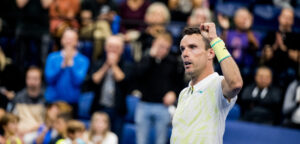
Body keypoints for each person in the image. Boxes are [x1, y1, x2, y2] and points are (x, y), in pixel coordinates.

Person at [171, 23, 243, 143]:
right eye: (182, 49)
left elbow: (235, 83)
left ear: (210, 53)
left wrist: (215, 40)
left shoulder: (218, 84)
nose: (185, 53)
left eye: (192, 47)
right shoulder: (183, 93)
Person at [135, 33, 184, 144]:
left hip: (163, 106)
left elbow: (179, 83)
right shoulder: (145, 58)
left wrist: (173, 93)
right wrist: (151, 58)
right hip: (144, 104)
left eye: (167, 48)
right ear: (154, 44)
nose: (163, 50)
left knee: (161, 140)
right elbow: (137, 75)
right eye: (161, 46)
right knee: (141, 140)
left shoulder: (173, 62)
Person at [88, 35, 133, 138]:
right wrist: (106, 66)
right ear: (105, 48)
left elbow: (123, 81)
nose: (112, 50)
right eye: (110, 47)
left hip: (117, 110)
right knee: (96, 138)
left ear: (121, 50)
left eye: (116, 47)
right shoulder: (98, 62)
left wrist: (113, 65)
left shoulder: (127, 65)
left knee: (115, 138)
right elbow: (94, 80)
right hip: (99, 108)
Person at [44, 29, 90, 117]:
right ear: (62, 40)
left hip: (72, 102)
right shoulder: (52, 57)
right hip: (53, 101)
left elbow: (78, 81)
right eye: (66, 38)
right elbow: (49, 79)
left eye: (72, 39)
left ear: (77, 42)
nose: (69, 41)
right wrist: (61, 67)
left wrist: (71, 66)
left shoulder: (83, 60)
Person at [10, 66, 45, 143]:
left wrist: (30, 130)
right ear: (26, 79)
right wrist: (16, 131)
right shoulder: (18, 98)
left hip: (38, 133)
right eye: (29, 78)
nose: (32, 82)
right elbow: (11, 118)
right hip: (18, 133)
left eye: (35, 79)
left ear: (40, 80)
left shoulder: (46, 99)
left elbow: (48, 122)